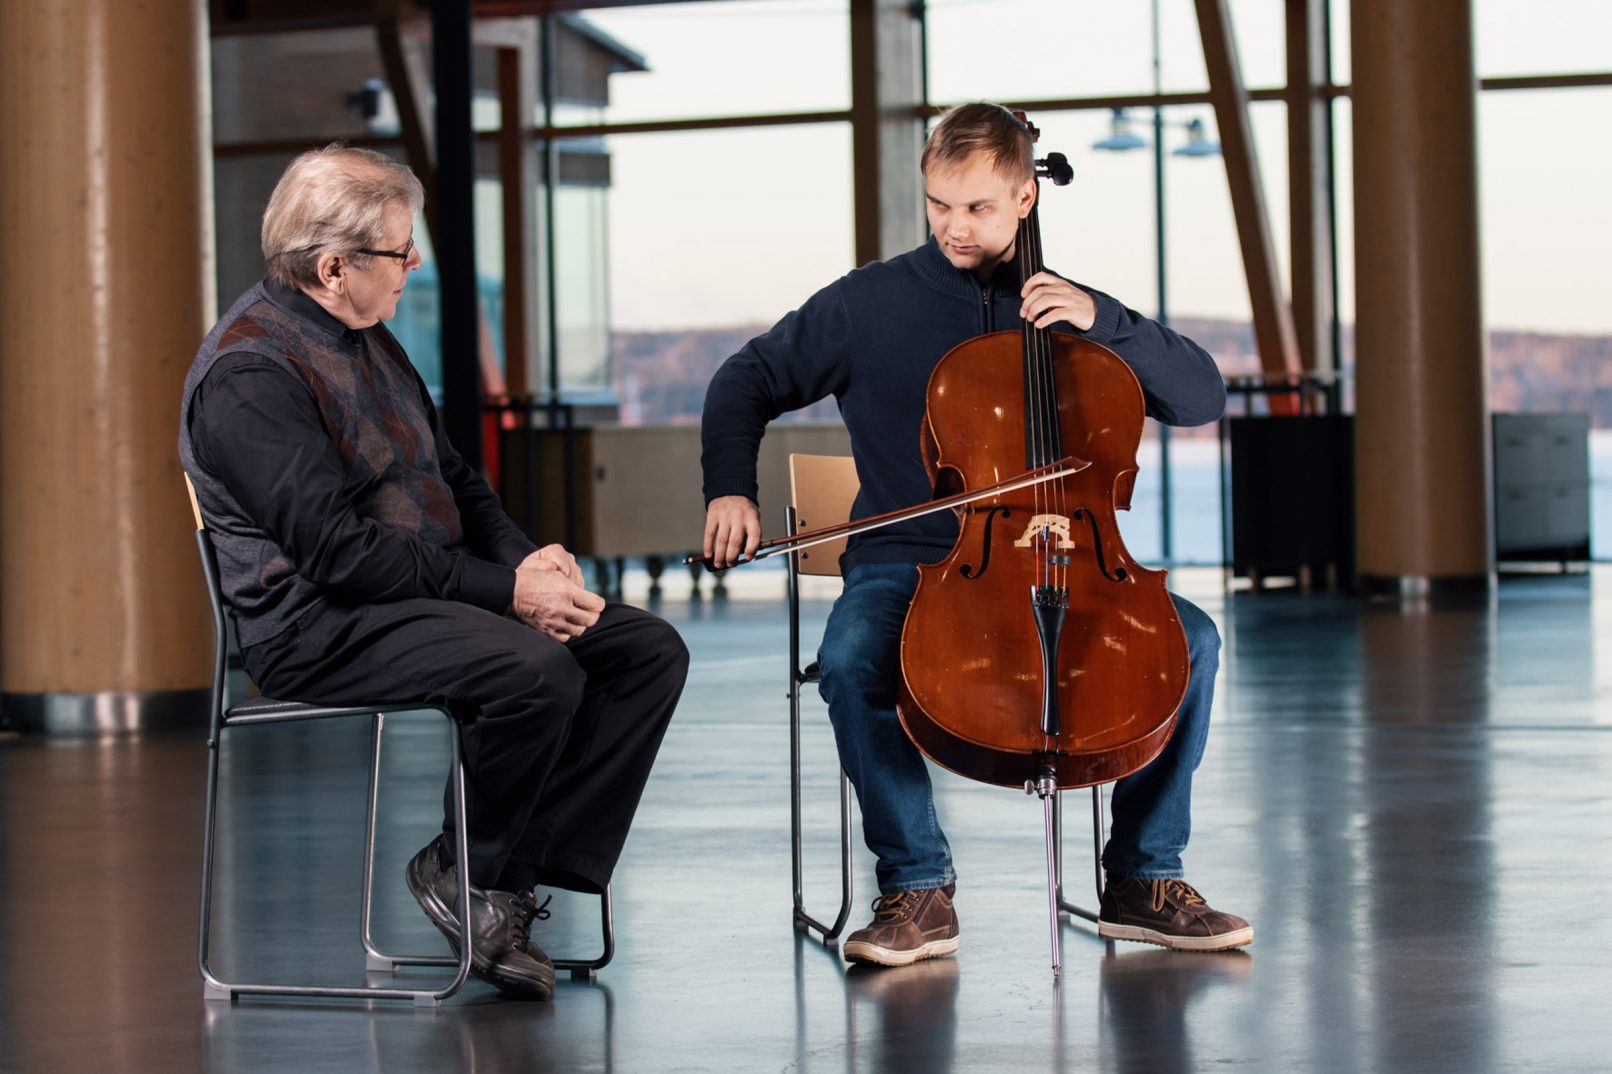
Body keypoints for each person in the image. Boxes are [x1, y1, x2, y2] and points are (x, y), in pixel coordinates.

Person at [700, 103, 1250, 967]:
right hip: (912, 567)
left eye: (980, 209)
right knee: (850, 660)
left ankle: (1144, 876)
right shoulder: (866, 304)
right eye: (940, 205)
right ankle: (916, 886)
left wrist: (1104, 319)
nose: (955, 228)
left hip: (1070, 560)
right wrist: (729, 488)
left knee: (1198, 642)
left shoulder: (1070, 311)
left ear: (1027, 198)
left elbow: (1203, 398)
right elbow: (747, 378)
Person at [179, 145, 688, 1000]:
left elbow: (456, 482)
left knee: (643, 650)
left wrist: (526, 561)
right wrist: (506, 596)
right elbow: (337, 555)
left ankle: (489, 879)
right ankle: (477, 876)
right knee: (534, 669)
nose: (415, 265)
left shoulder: (368, 337)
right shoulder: (248, 374)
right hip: (317, 624)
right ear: (334, 267)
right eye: (399, 252)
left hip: (417, 592)